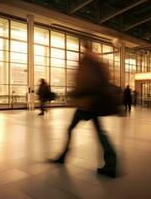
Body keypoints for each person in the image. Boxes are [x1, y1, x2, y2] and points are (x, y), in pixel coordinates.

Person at [49, 42, 117, 178]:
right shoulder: (97, 62)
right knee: (100, 133)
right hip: (93, 103)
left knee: (72, 129)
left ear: (86, 49)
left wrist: (76, 93)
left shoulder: (88, 62)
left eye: (84, 48)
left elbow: (86, 83)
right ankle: (111, 163)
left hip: (87, 104)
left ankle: (63, 156)